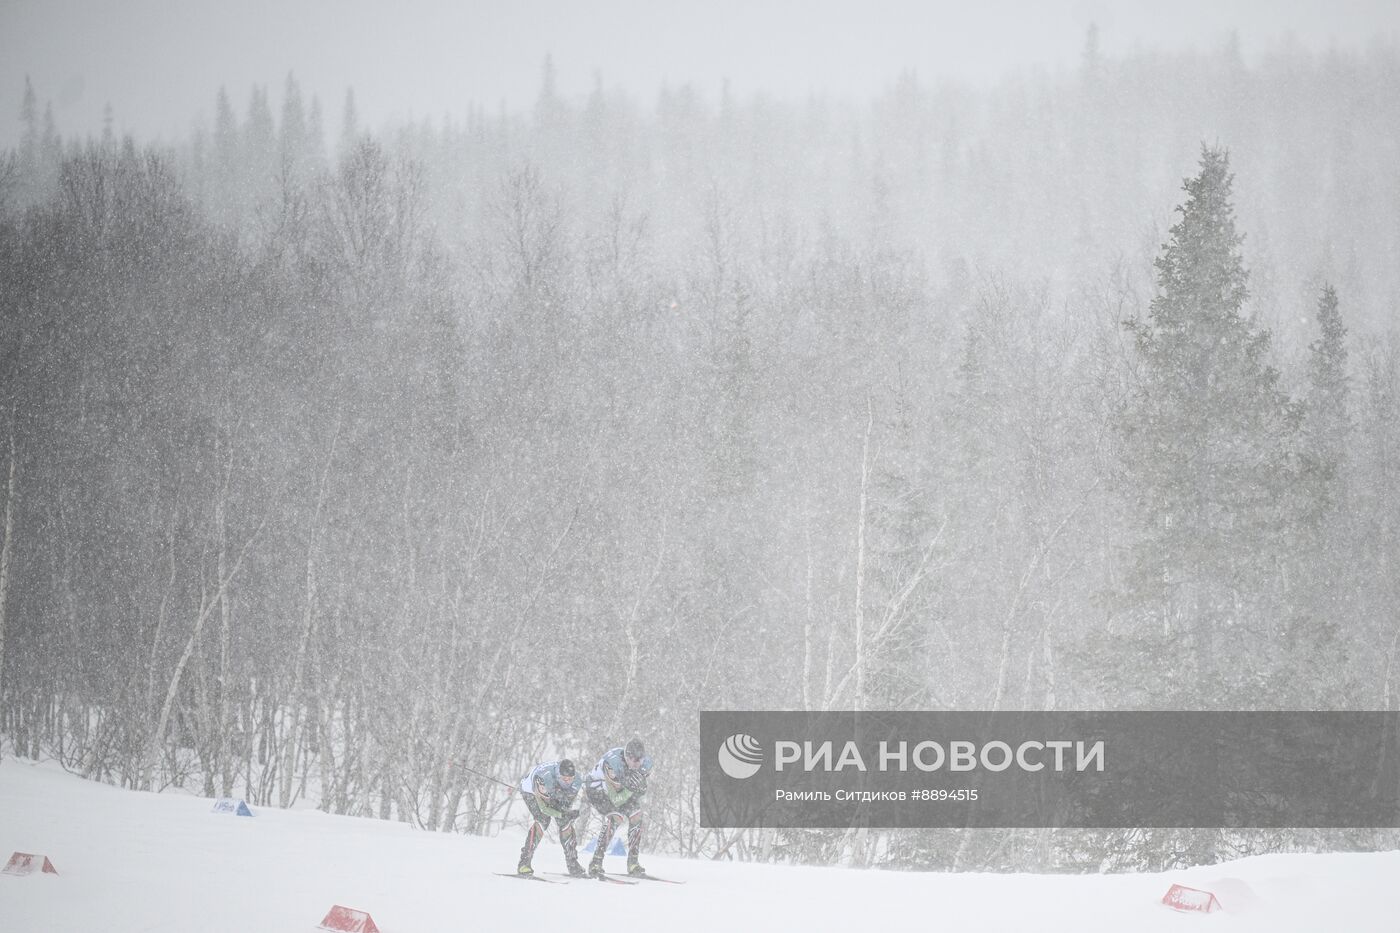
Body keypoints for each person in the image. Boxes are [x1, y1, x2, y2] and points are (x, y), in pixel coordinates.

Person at [583, 737, 653, 877]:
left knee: (637, 816)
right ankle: (596, 862)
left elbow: (639, 792)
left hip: (622, 790)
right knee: (616, 817)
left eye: (639, 760)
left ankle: (633, 863)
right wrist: (633, 787)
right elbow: (617, 798)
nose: (636, 764)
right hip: (597, 789)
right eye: (633, 760)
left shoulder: (646, 764)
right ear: (626, 756)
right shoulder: (612, 763)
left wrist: (640, 787)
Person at [517, 758, 584, 877]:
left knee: (565, 822)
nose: (568, 782)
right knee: (543, 819)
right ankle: (524, 863)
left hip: (553, 792)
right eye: (565, 779)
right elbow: (544, 808)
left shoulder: (577, 780)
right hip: (532, 792)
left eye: (570, 779)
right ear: (558, 775)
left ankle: (572, 863)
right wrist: (562, 813)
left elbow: (566, 802)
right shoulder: (543, 778)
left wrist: (565, 813)